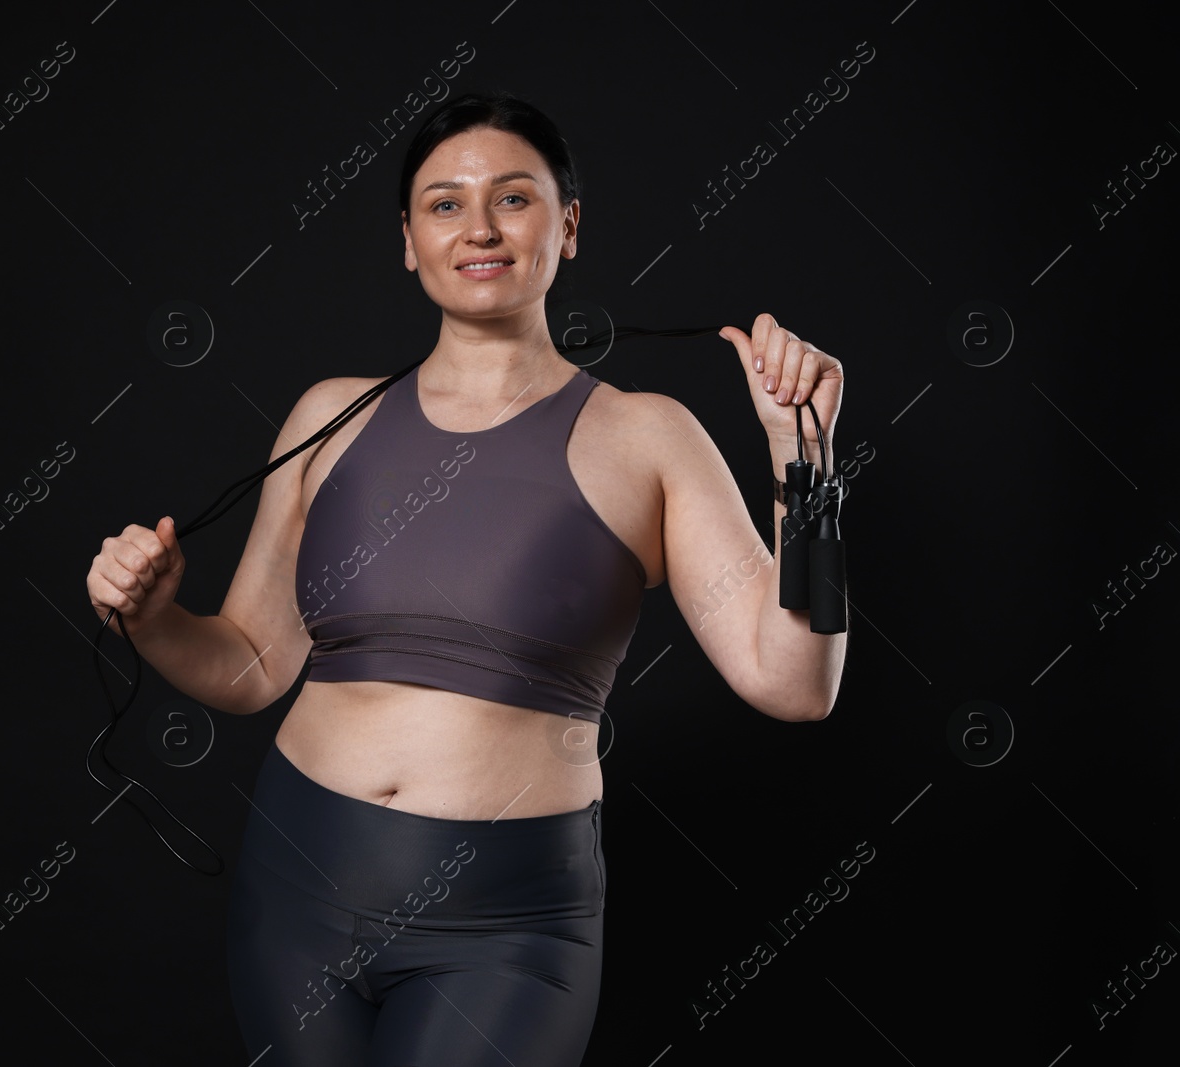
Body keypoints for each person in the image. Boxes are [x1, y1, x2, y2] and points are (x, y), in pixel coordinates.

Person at [85, 92, 847, 1066]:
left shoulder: (646, 436)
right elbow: (249, 666)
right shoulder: (331, 417)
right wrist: (150, 619)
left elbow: (793, 681)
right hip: (295, 894)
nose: (478, 227)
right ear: (408, 239)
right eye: (444, 204)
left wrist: (804, 463)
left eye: (513, 198)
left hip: (508, 921)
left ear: (567, 226)